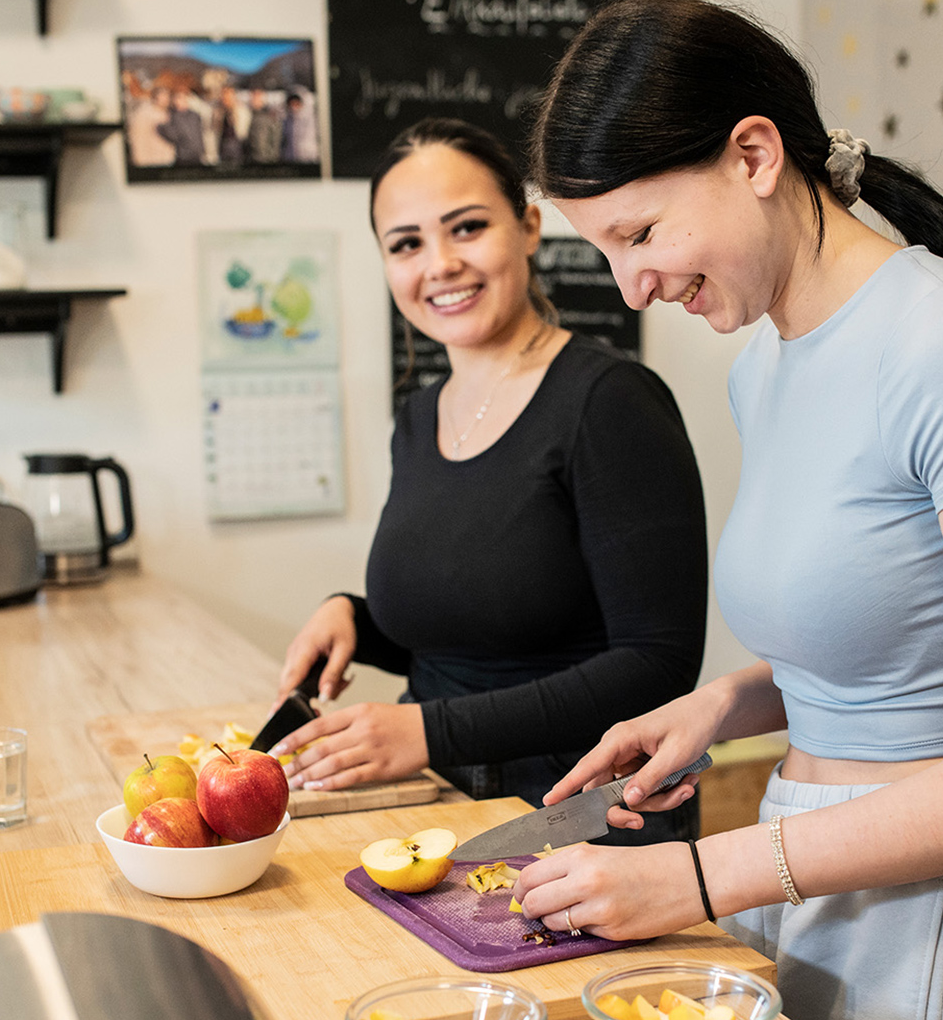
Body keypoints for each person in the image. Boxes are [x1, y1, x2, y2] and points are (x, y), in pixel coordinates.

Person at [510, 0, 943, 1020]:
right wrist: (724, 705)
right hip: (814, 898)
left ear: (754, 155)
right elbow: (900, 631)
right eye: (602, 249)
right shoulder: (766, 364)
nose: (630, 286)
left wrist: (708, 875)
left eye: (639, 235)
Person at [270, 118, 709, 845]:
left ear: (528, 229)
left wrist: (429, 732)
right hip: (442, 810)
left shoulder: (609, 401)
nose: (439, 264)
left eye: (467, 228)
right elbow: (476, 630)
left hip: (584, 818)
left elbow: (658, 664)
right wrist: (354, 618)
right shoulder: (419, 418)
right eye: (406, 244)